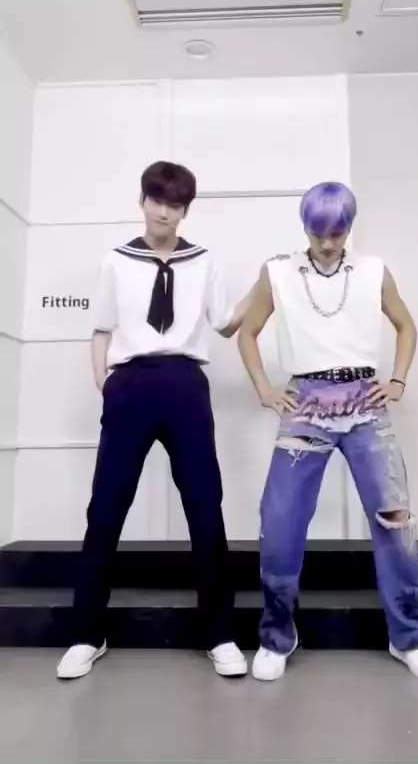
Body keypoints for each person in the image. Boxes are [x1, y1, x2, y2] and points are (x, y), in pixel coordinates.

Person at [238, 181, 418, 683]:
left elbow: (406, 325)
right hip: (306, 402)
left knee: (394, 519)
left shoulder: (373, 270)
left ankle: (409, 638)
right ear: (305, 228)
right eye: (319, 233)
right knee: (280, 522)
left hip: (364, 400)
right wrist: (266, 390)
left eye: (338, 233)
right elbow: (246, 332)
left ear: (349, 227)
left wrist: (397, 380)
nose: (329, 243)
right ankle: (277, 635)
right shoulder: (278, 272)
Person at [57, 161, 253, 680]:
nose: (164, 212)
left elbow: (225, 324)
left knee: (205, 508)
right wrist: (105, 382)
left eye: (175, 205)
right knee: (106, 508)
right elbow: (101, 328)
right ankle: (86, 634)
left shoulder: (204, 262)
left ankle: (220, 634)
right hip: (131, 383)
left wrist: (264, 287)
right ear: (142, 201)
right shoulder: (116, 262)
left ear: (186, 210)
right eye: (156, 201)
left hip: (185, 383)